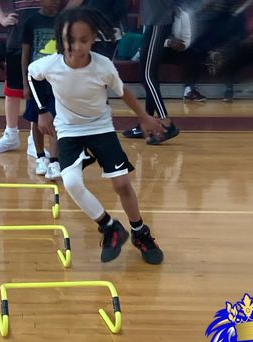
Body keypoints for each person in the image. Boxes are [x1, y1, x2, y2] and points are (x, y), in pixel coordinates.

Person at [28, 6, 165, 264]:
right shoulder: (49, 65)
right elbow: (32, 75)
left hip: (100, 127)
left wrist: (144, 117)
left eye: (83, 40)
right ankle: (109, 226)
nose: (76, 47)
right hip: (68, 130)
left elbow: (122, 91)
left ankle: (139, 233)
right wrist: (42, 111)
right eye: (70, 40)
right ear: (60, 39)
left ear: (93, 39)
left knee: (122, 184)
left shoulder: (103, 66)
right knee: (71, 183)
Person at [0, 0, 45, 156]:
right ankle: (10, 135)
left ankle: (35, 138)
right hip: (16, 38)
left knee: (37, 92)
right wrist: (1, 18)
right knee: (12, 92)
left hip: (43, 39)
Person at [122, 0, 180, 145]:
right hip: (152, 20)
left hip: (159, 21)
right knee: (146, 74)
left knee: (147, 76)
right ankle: (147, 124)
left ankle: (166, 122)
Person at [21, 0, 61, 179]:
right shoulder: (31, 22)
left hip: (56, 80)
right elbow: (25, 54)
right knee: (36, 120)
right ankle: (40, 157)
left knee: (54, 119)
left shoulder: (62, 21)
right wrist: (25, 83)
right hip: (36, 80)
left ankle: (54, 161)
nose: (54, 2)